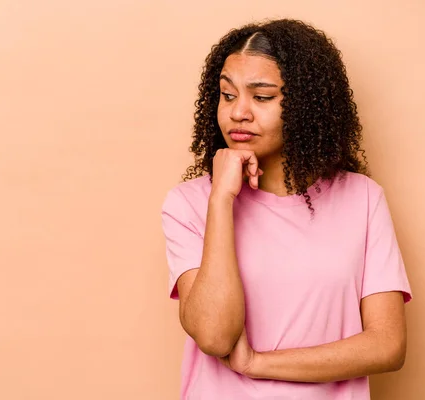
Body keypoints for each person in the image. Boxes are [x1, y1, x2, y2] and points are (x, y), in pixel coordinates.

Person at [160, 18, 412, 400]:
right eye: (227, 95)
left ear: (306, 105)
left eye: (261, 97)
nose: (238, 112)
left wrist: (256, 363)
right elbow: (213, 335)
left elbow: (387, 345)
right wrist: (222, 200)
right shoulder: (190, 204)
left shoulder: (362, 199)